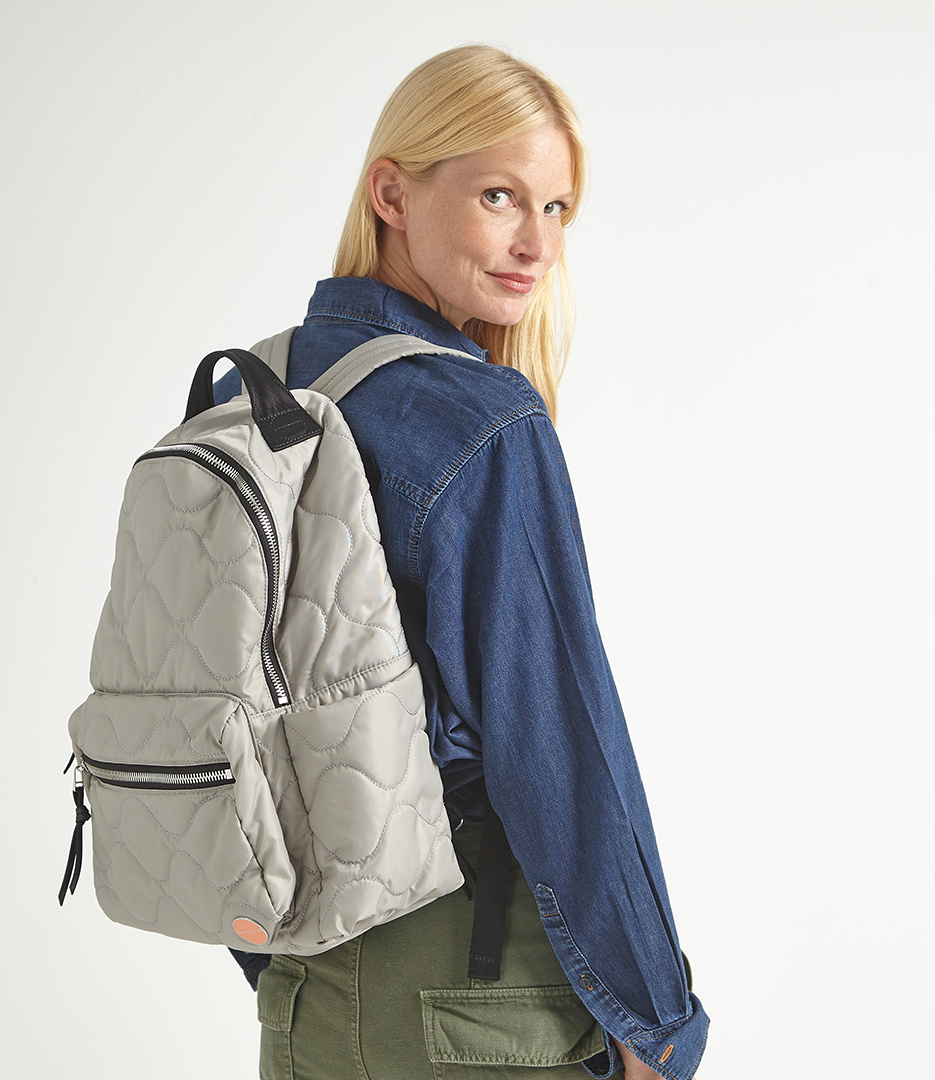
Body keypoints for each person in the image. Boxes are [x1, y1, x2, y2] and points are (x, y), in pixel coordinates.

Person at [216, 44, 708, 1080]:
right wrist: (656, 1019)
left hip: (303, 987)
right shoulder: (481, 421)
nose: (539, 243)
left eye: (560, 209)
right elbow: (563, 746)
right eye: (500, 196)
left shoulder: (250, 395)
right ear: (392, 192)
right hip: (478, 989)